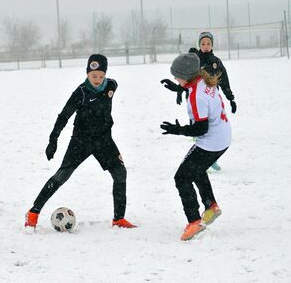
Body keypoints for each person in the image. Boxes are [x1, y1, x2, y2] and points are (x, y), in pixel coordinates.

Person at [25, 54, 136, 229]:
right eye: (93, 76)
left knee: (120, 173)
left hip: (104, 141)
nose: (98, 80)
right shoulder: (81, 92)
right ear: (87, 74)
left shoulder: (112, 85)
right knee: (62, 176)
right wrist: (53, 140)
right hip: (81, 142)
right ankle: (33, 212)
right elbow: (63, 116)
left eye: (101, 76)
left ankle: (118, 219)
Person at [160, 53, 231, 241]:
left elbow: (200, 128)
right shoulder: (203, 80)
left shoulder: (196, 95)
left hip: (211, 141)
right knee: (196, 168)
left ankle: (194, 222)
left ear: (186, 75)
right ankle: (211, 206)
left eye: (177, 76)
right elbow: (194, 89)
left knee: (181, 177)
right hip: (223, 137)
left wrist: (178, 130)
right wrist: (178, 87)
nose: (175, 78)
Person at [161, 31, 236, 171]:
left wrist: (230, 97)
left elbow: (224, 80)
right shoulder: (194, 60)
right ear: (199, 45)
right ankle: (205, 152)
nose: (206, 46)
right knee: (198, 124)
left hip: (207, 100)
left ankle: (207, 156)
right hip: (200, 100)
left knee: (202, 127)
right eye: (203, 43)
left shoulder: (215, 62)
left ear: (212, 45)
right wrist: (178, 91)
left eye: (208, 43)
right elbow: (187, 81)